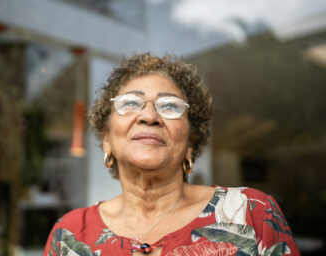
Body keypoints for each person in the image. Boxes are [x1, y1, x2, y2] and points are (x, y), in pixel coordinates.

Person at [43, 53, 300, 256]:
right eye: (130, 103)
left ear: (190, 143)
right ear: (106, 139)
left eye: (169, 106)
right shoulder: (69, 234)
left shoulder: (252, 212)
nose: (149, 116)